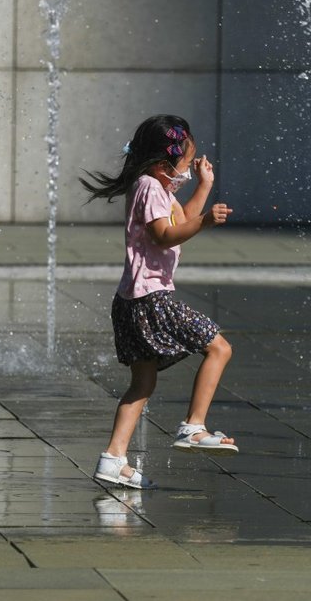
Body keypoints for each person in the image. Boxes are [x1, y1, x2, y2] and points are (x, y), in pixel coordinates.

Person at [79, 115, 237, 489]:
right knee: (219, 347)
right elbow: (165, 235)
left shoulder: (156, 189)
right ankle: (193, 427)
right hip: (152, 301)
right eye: (184, 163)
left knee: (142, 385)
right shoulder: (149, 187)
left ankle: (113, 459)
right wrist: (207, 223)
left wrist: (204, 185)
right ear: (163, 161)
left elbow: (183, 219)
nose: (186, 170)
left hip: (131, 302)